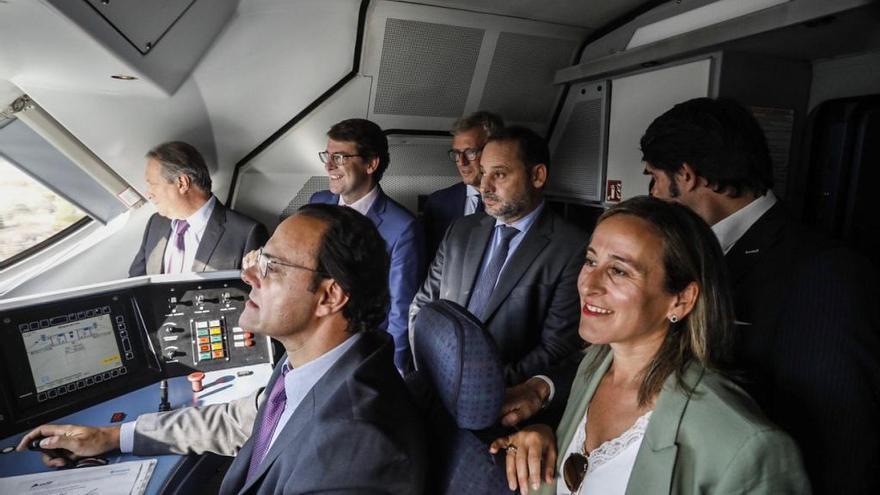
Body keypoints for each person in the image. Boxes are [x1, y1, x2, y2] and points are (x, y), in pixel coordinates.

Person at [18, 204, 427, 494]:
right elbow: (239, 421)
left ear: (329, 297)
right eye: (257, 258)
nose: (248, 275)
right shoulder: (311, 368)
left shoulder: (354, 446)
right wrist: (111, 436)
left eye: (271, 266)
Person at [490, 196, 810, 495]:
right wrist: (548, 438)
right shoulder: (595, 367)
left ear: (681, 300)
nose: (588, 284)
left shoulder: (748, 446)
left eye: (618, 270)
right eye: (590, 261)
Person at [641, 97, 880, 494]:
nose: (651, 194)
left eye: (653, 178)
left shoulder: (826, 272)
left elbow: (843, 436)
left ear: (684, 176)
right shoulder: (695, 252)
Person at [410, 126, 585, 385]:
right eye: (483, 173)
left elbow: (556, 347)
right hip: (435, 386)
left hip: (504, 399)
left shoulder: (572, 247)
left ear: (537, 176)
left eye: (499, 174)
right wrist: (432, 372)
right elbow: (422, 306)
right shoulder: (461, 230)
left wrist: (481, 388)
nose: (484, 186)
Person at [310, 118, 423, 374]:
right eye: (327, 156)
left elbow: (400, 310)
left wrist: (392, 372)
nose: (328, 166)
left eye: (339, 158)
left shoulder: (403, 227)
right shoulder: (317, 203)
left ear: (371, 163)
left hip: (362, 350)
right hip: (313, 338)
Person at [129, 141, 267, 276]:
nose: (148, 194)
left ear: (182, 183)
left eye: (152, 184)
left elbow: (257, 293)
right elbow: (132, 285)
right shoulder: (155, 224)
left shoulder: (246, 234)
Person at [422, 111, 504, 260]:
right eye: (457, 153)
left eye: (470, 152)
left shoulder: (516, 202)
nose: (461, 161)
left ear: (494, 150)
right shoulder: (437, 203)